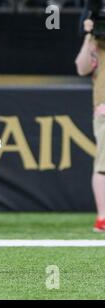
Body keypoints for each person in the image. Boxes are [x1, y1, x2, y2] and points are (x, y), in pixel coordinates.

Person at [75, 17, 105, 232]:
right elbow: (82, 68)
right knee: (103, 165)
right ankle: (102, 217)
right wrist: (89, 35)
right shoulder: (97, 42)